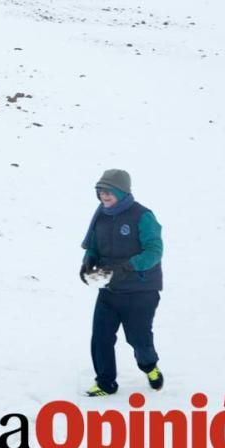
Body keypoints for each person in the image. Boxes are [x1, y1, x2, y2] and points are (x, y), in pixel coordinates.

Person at [79, 169, 164, 397]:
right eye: (101, 192)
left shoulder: (142, 216)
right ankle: (105, 382)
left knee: (138, 339)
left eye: (109, 192)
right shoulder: (101, 215)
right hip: (110, 288)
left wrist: (127, 266)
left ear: (123, 192)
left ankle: (150, 367)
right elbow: (95, 245)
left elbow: (155, 251)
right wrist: (88, 261)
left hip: (141, 291)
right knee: (101, 337)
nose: (104, 196)